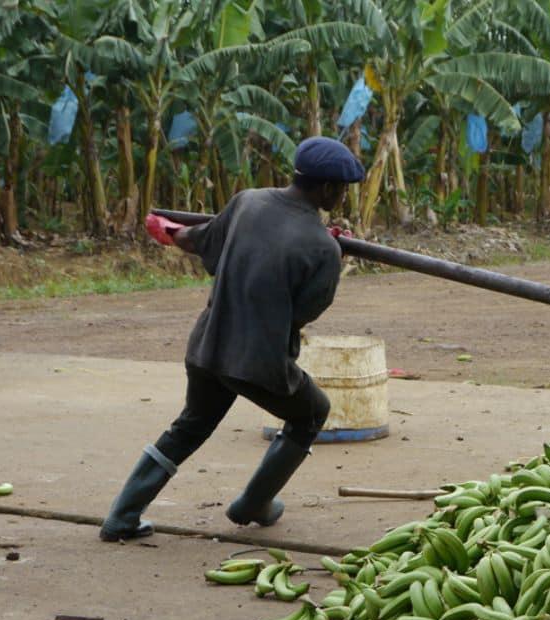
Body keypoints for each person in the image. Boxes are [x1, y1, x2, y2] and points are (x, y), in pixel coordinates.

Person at [99, 136, 365, 542]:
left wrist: (169, 231)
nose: (343, 196)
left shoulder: (248, 201)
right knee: (312, 412)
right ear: (328, 189)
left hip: (208, 346)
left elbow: (199, 239)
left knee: (190, 426)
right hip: (258, 364)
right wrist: (329, 253)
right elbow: (304, 313)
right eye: (342, 190)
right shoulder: (321, 247)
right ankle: (254, 504)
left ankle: (122, 516)